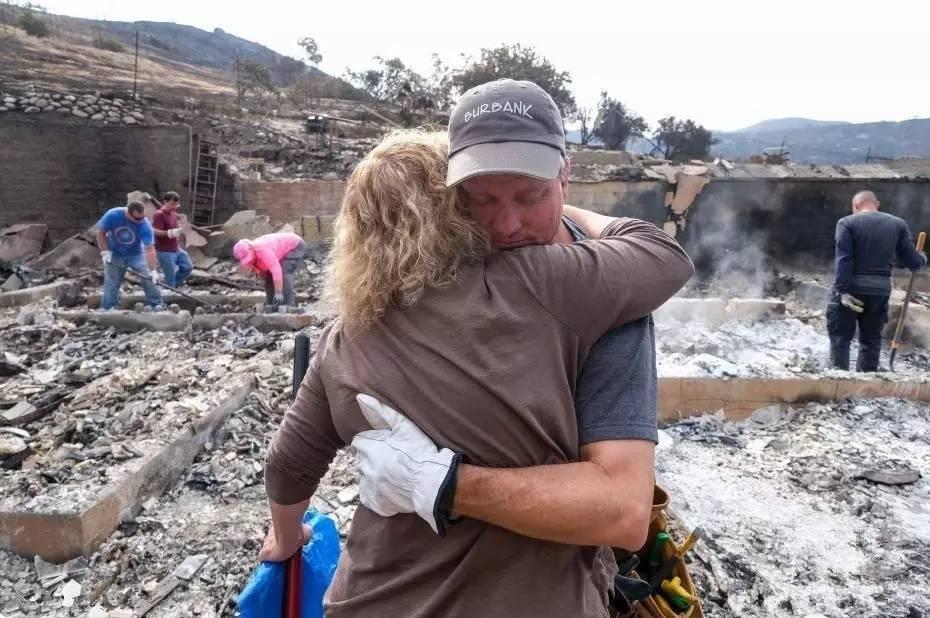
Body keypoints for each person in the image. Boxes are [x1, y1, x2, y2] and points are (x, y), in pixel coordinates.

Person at [260, 128, 694, 617]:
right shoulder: (538, 281)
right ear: (455, 211)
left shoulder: (344, 340)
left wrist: (286, 535)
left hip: (372, 601)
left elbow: (287, 464)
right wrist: (557, 201)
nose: (508, 222)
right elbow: (662, 255)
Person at [351, 78, 662, 598]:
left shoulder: (607, 294)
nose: (508, 224)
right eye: (481, 199)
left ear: (567, 173)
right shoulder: (437, 264)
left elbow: (624, 510)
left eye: (531, 195)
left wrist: (445, 483)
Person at [828, 190, 926, 371]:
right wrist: (921, 258)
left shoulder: (846, 223)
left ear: (856, 206)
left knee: (841, 338)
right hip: (879, 292)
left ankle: (839, 381)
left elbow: (844, 259)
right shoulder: (898, 224)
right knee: (871, 340)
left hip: (851, 291)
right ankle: (865, 385)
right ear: (877, 204)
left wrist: (841, 291)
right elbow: (912, 262)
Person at [96, 200, 164, 311]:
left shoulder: (144, 224)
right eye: (137, 218)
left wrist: (153, 270)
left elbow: (149, 249)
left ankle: (156, 304)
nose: (140, 220)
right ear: (128, 213)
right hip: (115, 253)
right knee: (111, 281)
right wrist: (105, 251)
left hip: (136, 254)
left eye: (143, 217)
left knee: (148, 277)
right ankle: (109, 307)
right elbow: (101, 232)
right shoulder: (113, 215)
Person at [232, 232, 307, 307]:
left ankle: (289, 305)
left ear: (251, 249)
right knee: (269, 276)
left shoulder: (263, 251)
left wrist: (278, 292)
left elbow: (276, 271)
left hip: (295, 246)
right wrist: (263, 279)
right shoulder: (253, 254)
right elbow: (263, 272)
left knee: (284, 272)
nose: (248, 261)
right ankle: (271, 304)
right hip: (279, 250)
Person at [151, 191, 193, 288]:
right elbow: (154, 231)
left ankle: (172, 286)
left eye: (176, 205)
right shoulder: (159, 214)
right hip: (164, 251)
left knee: (187, 266)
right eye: (172, 204)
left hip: (175, 248)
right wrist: (169, 233)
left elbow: (179, 219)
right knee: (170, 276)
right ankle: (169, 292)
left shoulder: (172, 213)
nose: (174, 207)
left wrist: (180, 228)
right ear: (165, 202)